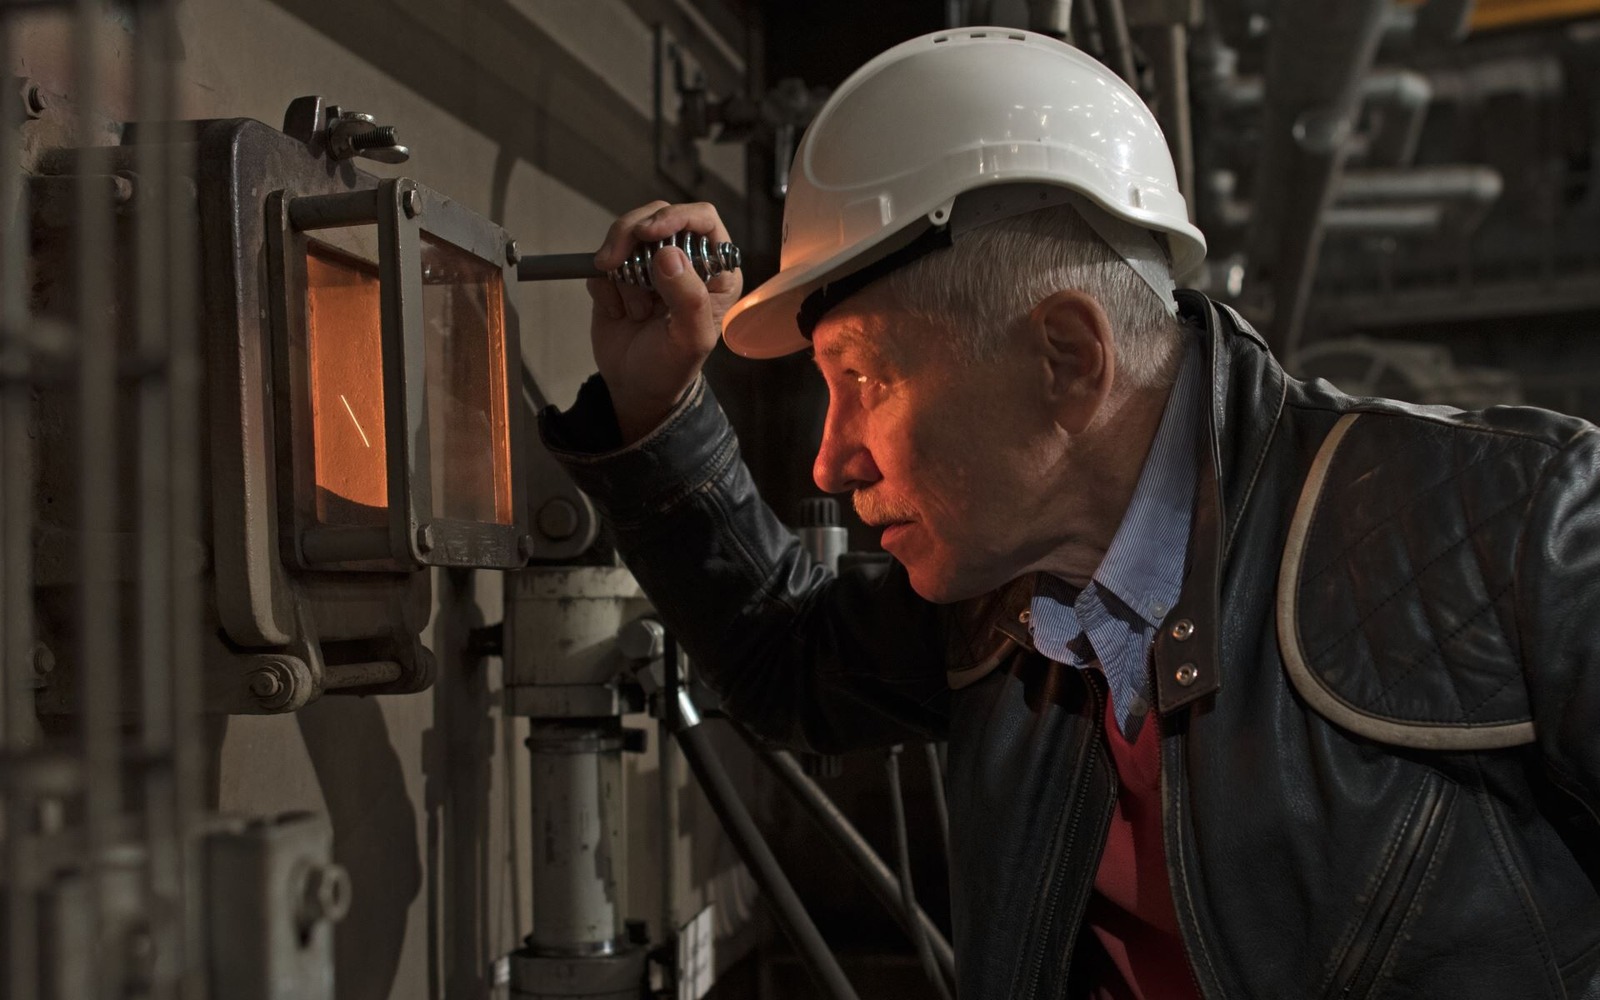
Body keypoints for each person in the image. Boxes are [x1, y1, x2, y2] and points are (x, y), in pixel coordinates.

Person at [539, 27, 1600, 1000]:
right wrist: (656, 408)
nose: (829, 459)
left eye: (865, 379)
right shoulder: (1006, 598)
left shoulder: (1518, 526)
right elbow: (786, 656)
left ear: (1067, 358)